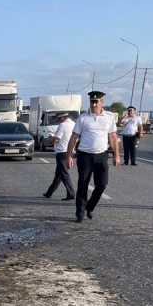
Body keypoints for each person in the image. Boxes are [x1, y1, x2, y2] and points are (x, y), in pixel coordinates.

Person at [66, 91, 120, 223]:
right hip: (85, 155)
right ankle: (80, 211)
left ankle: (90, 206)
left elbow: (112, 136)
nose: (94, 104)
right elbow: (74, 137)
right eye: (92, 102)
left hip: (101, 155)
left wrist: (116, 155)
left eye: (97, 102)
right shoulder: (83, 118)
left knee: (102, 184)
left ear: (102, 102)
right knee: (83, 184)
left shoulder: (109, 117)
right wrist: (69, 155)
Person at [42, 112, 76, 200]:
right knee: (59, 174)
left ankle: (71, 193)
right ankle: (49, 192)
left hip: (62, 152)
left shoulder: (63, 125)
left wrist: (50, 137)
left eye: (59, 119)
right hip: (69, 151)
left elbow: (56, 139)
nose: (58, 121)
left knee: (64, 174)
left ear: (63, 118)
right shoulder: (73, 124)